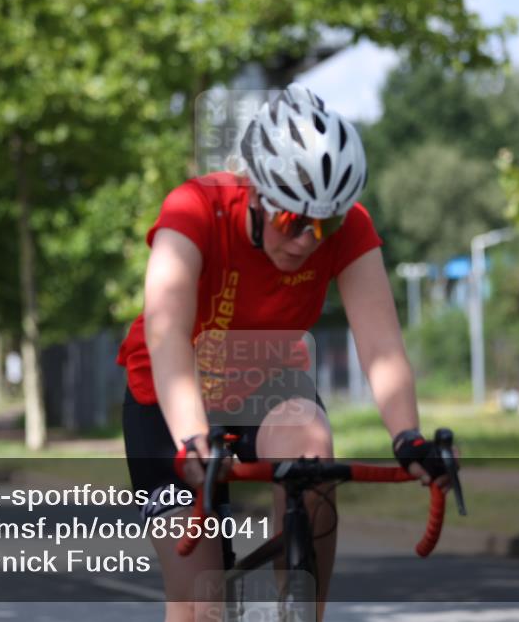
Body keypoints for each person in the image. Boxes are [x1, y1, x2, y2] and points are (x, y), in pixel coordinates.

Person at [117, 83, 451, 622]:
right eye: (292, 220)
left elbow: (382, 346)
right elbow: (166, 332)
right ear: (254, 192)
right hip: (169, 396)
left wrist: (407, 436)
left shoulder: (348, 229)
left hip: (267, 383)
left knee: (312, 446)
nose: (308, 241)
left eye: (327, 223)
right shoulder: (194, 208)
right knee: (199, 605)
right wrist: (193, 438)